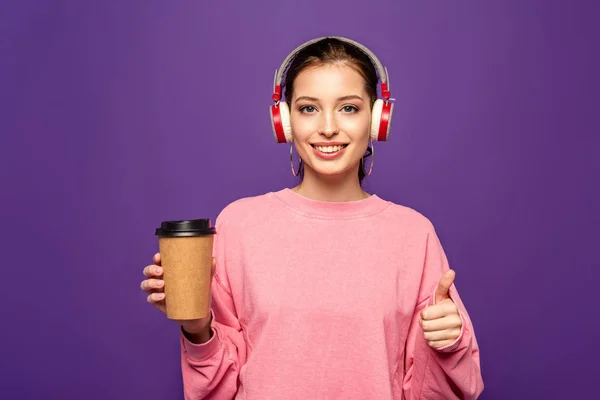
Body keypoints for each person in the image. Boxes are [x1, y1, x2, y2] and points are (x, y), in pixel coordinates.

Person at [141, 36, 484, 399]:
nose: (328, 127)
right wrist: (197, 327)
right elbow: (218, 387)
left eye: (349, 108)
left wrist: (450, 343)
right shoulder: (238, 224)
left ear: (378, 119)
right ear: (284, 120)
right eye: (309, 109)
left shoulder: (414, 234)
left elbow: (434, 393)